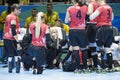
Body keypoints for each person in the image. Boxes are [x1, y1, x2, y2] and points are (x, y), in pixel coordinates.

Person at [89, 0, 114, 72]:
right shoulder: (109, 7)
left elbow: (91, 17)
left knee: (99, 46)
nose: (97, 3)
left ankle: (102, 66)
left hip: (102, 28)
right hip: (110, 28)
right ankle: (110, 66)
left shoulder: (101, 8)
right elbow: (112, 18)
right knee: (107, 48)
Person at [65, 0, 88, 73]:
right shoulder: (85, 7)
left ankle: (78, 68)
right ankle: (85, 68)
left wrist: (70, 19)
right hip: (82, 30)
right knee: (84, 49)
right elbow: (88, 16)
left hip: (73, 30)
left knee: (75, 49)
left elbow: (66, 21)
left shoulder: (70, 8)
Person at [4, 4, 21, 73]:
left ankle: (10, 69)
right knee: (17, 54)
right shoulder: (13, 17)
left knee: (10, 54)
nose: (20, 12)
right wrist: (18, 42)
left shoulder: (8, 16)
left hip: (6, 38)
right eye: (19, 10)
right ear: (15, 10)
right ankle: (17, 69)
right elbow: (13, 30)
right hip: (11, 38)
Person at [86, 0, 99, 70]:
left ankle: (90, 65)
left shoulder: (91, 4)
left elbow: (89, 13)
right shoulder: (99, 4)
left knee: (87, 45)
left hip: (91, 25)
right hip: (97, 25)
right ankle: (95, 65)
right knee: (93, 45)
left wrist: (85, 11)